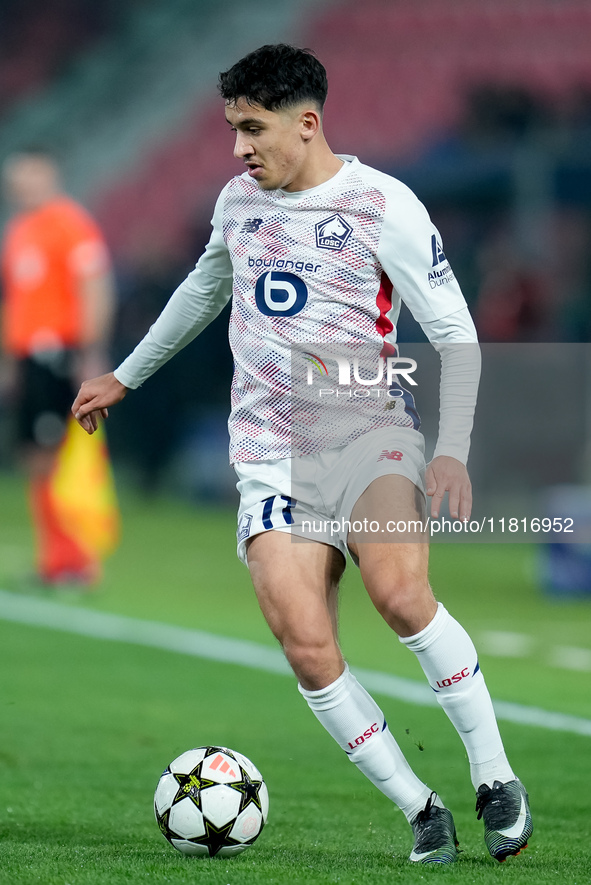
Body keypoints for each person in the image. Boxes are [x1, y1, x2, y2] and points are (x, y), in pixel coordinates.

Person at [71, 45, 532, 864]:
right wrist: (128, 376)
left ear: (307, 123)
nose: (239, 148)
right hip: (268, 450)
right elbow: (204, 290)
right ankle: (419, 805)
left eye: (252, 129)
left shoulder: (382, 205)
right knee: (306, 640)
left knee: (398, 594)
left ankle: (493, 776)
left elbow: (455, 333)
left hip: (368, 431)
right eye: (231, 130)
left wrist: (453, 449)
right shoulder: (237, 203)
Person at [1, 148, 115, 586]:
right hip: (28, 357)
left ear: (48, 173)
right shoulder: (18, 231)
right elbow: (16, 302)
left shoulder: (70, 224)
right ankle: (53, 559)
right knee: (33, 457)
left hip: (59, 353)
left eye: (28, 174)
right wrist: (10, 362)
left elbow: (94, 287)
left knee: (62, 456)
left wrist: (90, 351)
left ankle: (78, 560)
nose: (20, 185)